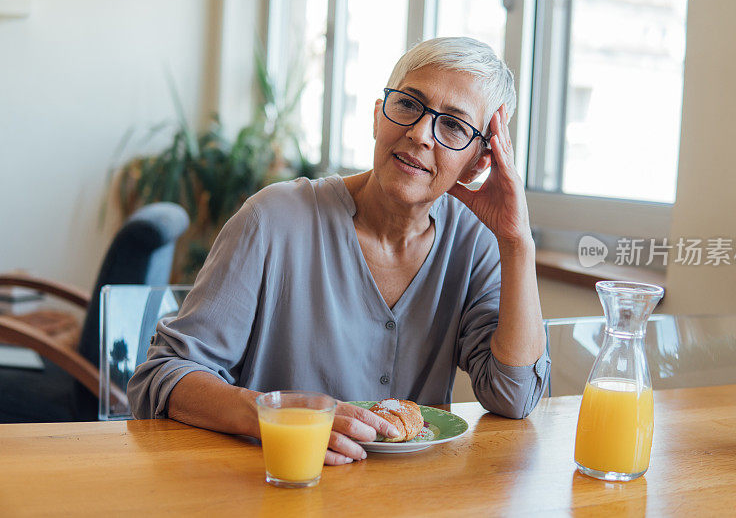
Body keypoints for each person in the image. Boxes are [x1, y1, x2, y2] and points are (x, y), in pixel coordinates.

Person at [128, 36, 550, 466]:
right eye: (407, 105)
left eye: (454, 126)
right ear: (376, 116)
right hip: (277, 488)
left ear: (481, 162)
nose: (419, 134)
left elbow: (513, 397)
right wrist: (286, 417)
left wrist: (517, 243)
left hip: (409, 500)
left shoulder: (476, 243)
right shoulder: (273, 220)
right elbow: (164, 376)